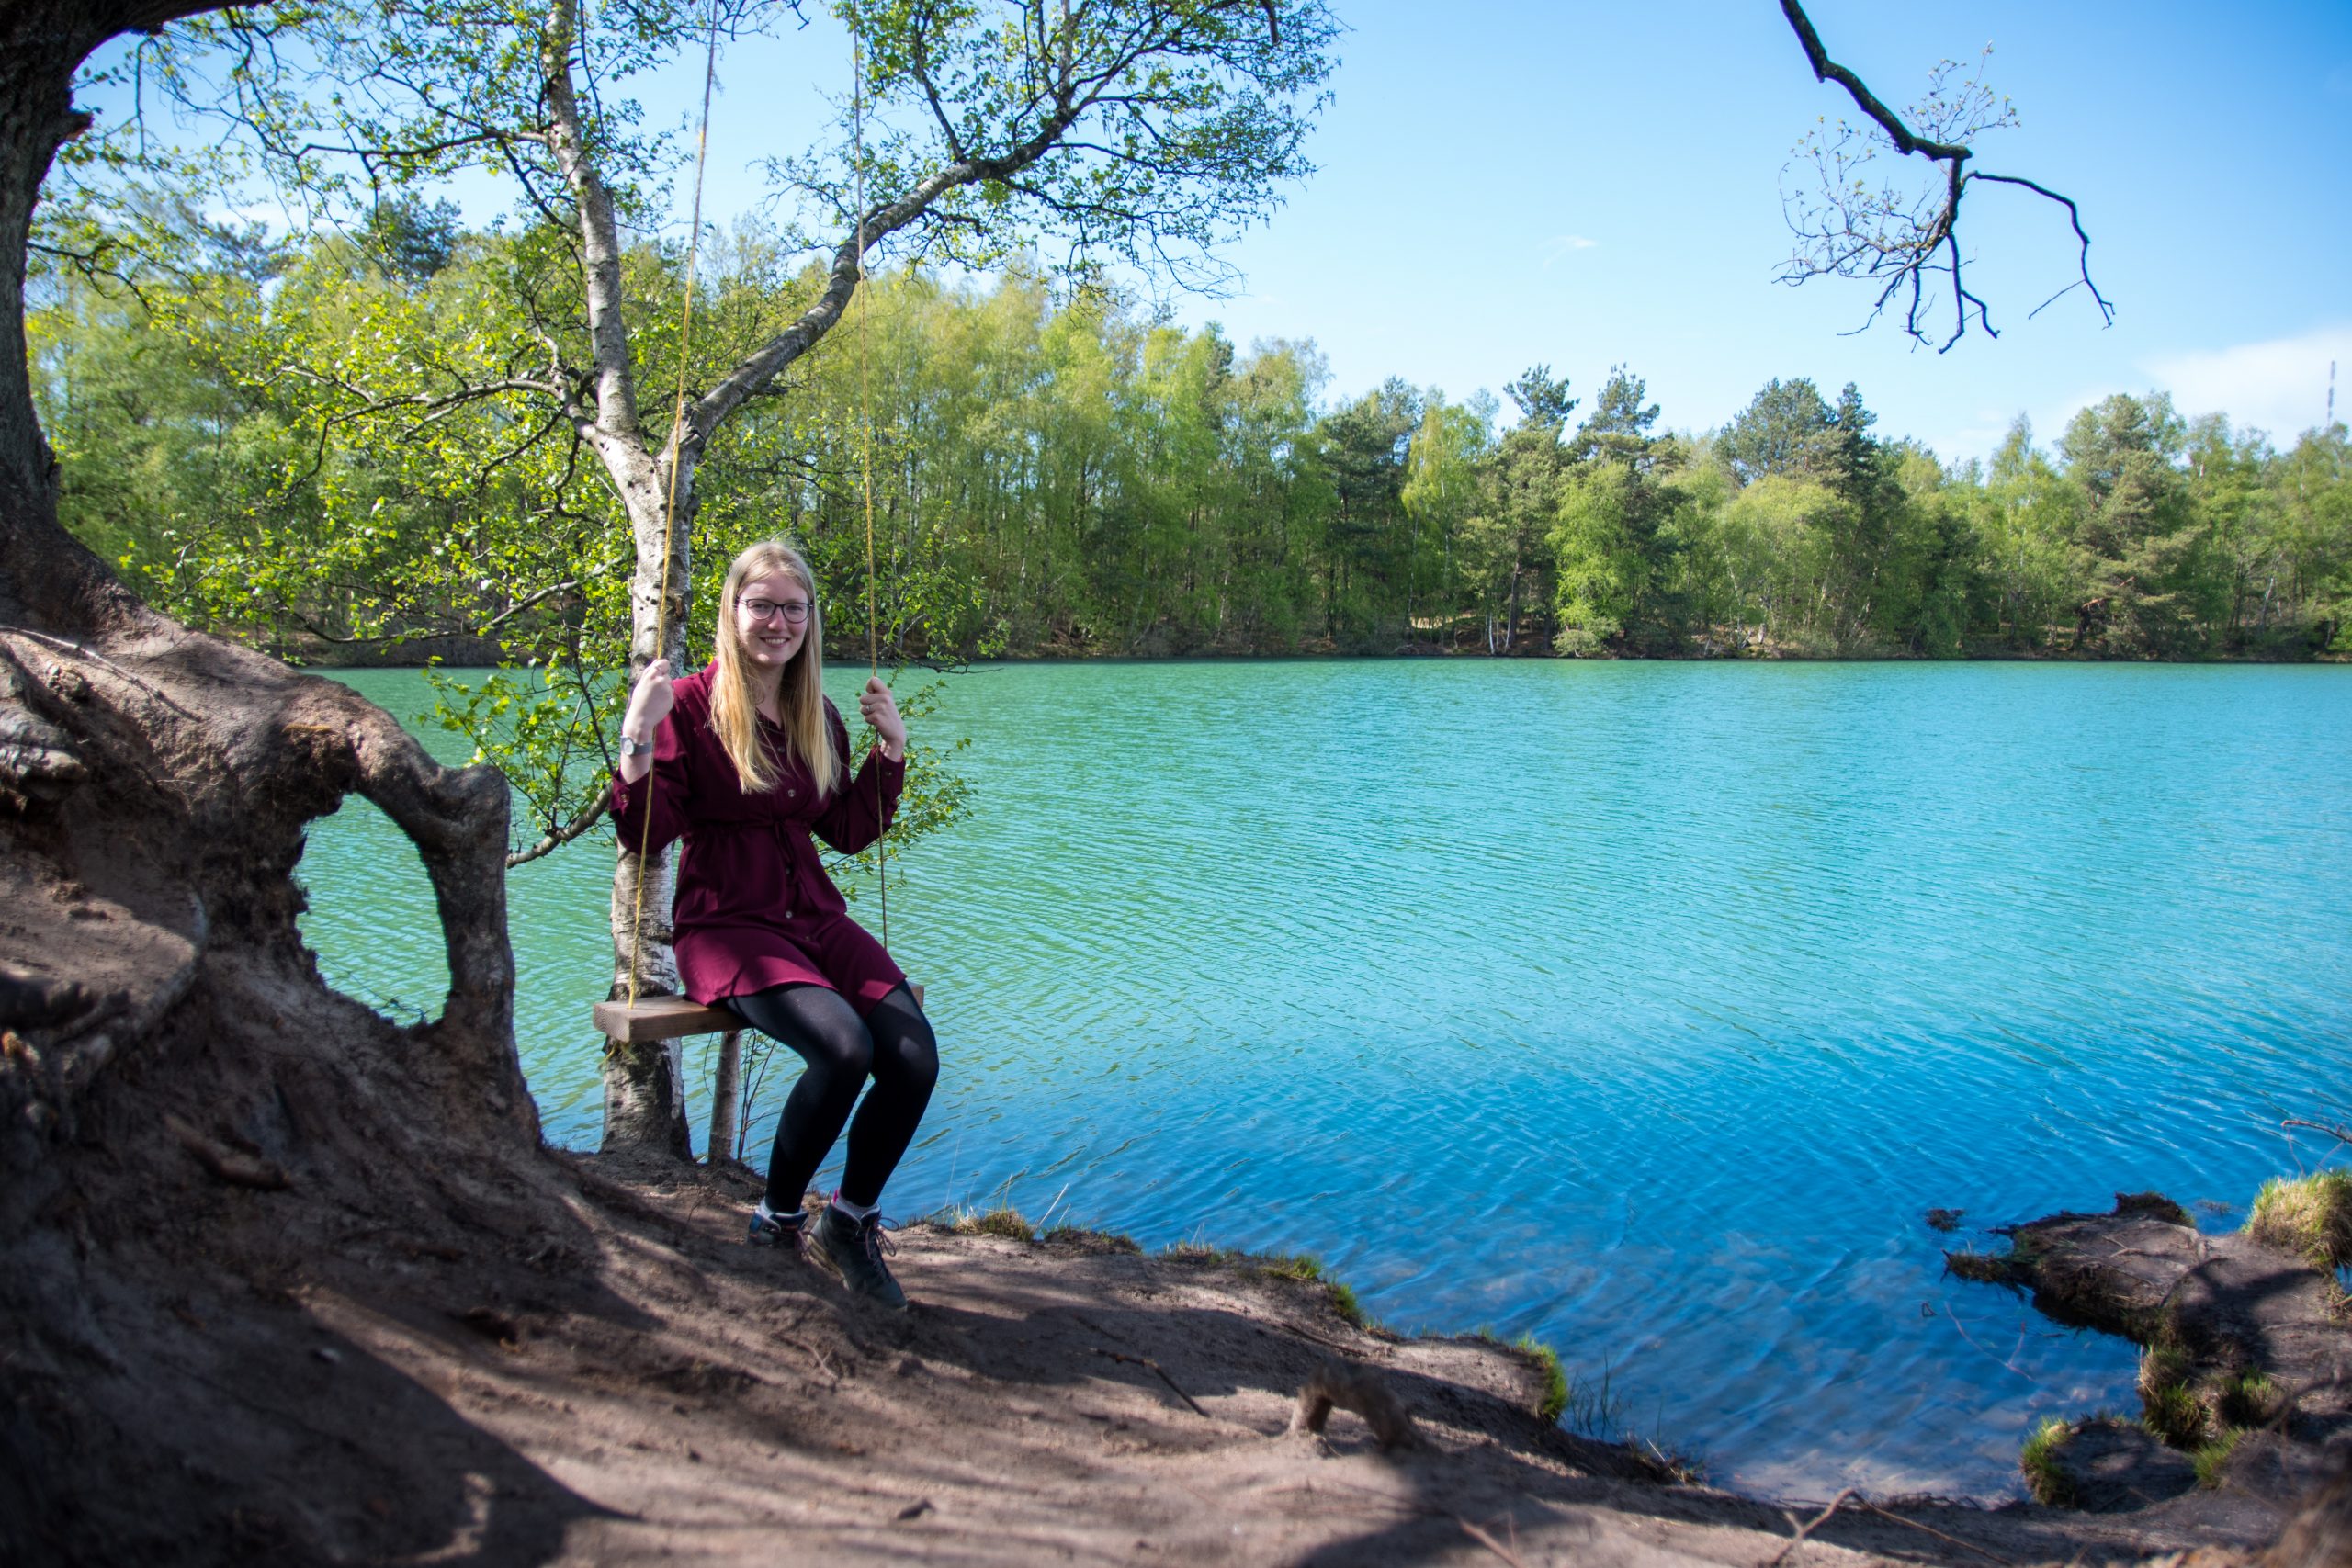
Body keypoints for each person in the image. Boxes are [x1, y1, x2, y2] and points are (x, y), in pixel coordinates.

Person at [611, 537, 936, 1310]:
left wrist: (892, 750)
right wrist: (635, 733)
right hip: (728, 925)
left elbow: (848, 830)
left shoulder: (814, 712)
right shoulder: (686, 706)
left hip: (813, 917)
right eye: (763, 605)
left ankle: (849, 1223)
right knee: (842, 1046)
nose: (778, 622)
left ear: (809, 620)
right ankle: (776, 1217)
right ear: (733, 611)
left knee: (913, 1056)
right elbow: (648, 833)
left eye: (793, 608)